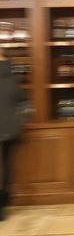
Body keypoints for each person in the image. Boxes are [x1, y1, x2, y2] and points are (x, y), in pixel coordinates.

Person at [0, 48, 25, 220]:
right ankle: (2, 204)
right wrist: (21, 120)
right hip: (9, 127)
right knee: (6, 165)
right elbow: (22, 100)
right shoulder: (12, 77)